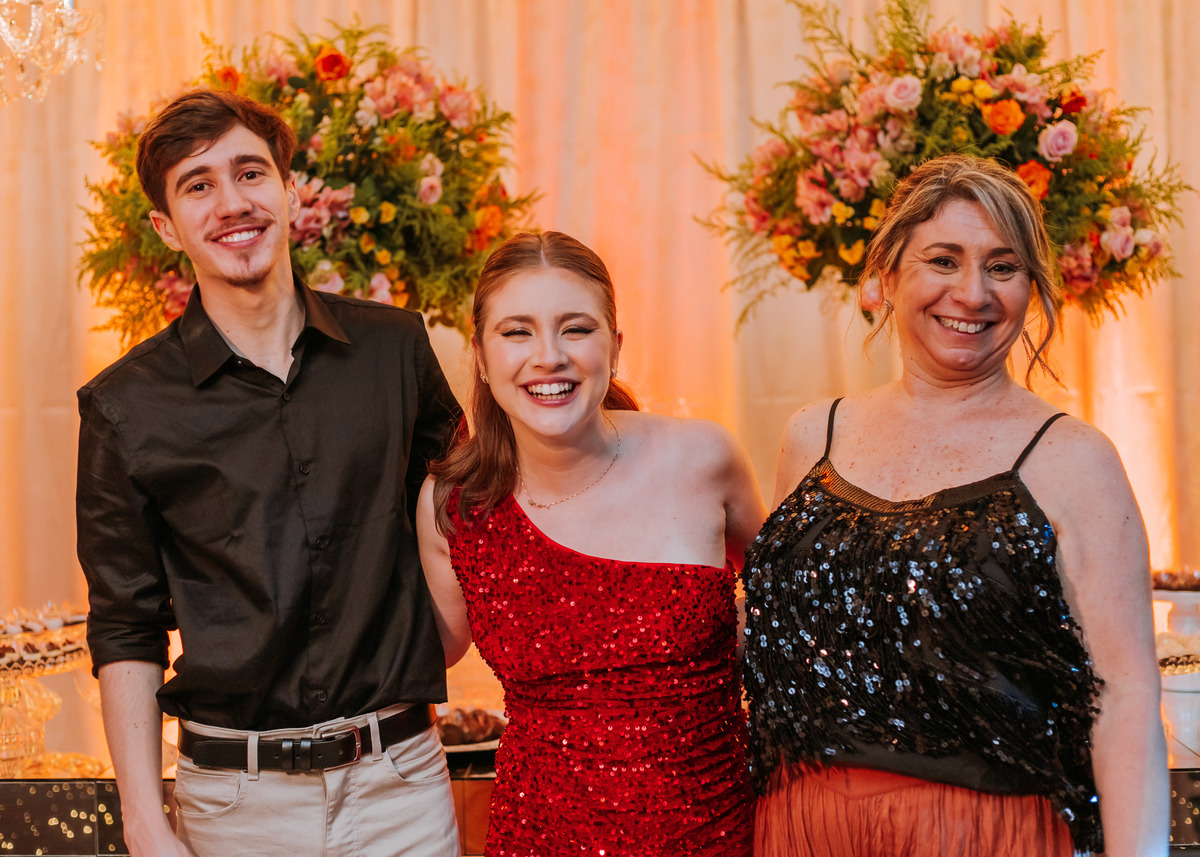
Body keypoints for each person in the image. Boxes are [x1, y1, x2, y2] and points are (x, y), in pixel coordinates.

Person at [743, 155, 1167, 857]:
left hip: (985, 833)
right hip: (801, 825)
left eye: (1003, 267)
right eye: (943, 260)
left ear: (1032, 288)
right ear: (886, 276)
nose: (972, 293)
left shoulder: (1074, 458)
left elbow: (1124, 696)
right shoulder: (813, 435)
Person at [76, 89, 462, 857]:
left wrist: (442, 637)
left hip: (403, 789)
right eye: (198, 185)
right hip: (234, 806)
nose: (232, 202)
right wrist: (144, 820)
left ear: (289, 191)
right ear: (166, 226)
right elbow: (125, 622)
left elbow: (465, 510)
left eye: (250, 173)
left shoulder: (396, 349)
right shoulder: (125, 405)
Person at [415, 231, 767, 856]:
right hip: (539, 837)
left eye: (575, 329)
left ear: (615, 346)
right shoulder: (454, 505)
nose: (548, 356)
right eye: (517, 332)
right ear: (481, 356)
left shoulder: (704, 458)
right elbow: (427, 655)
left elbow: (786, 610)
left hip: (715, 834)